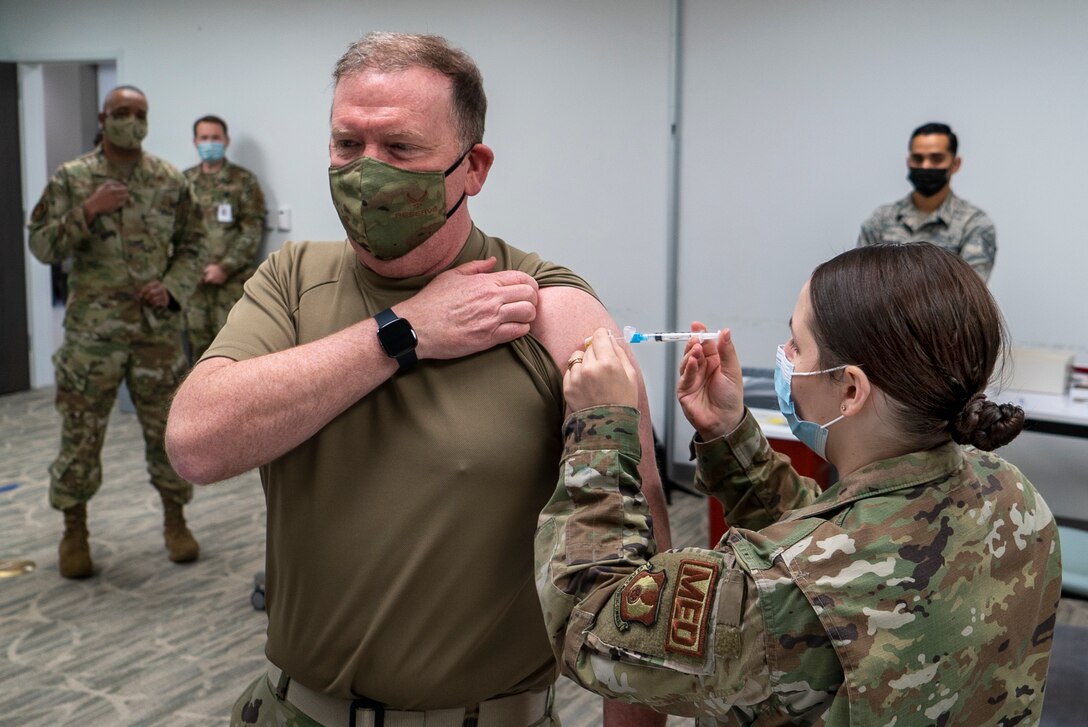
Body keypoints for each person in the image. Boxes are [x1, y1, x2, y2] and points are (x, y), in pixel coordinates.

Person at [166, 32, 670, 727]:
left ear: (474, 167)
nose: (366, 172)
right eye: (348, 145)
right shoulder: (292, 280)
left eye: (399, 149)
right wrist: (403, 332)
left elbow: (643, 553)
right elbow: (196, 442)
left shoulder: (546, 308)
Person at [537, 242, 1061, 724]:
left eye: (797, 343)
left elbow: (593, 627)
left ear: (851, 389)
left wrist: (601, 428)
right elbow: (843, 535)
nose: (785, 357)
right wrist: (729, 436)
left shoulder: (776, 597)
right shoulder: (1014, 497)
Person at [27, 85, 206, 578]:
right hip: (93, 336)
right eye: (122, 113)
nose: (132, 120)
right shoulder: (74, 178)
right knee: (81, 435)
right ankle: (74, 530)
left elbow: (195, 243)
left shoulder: (169, 180)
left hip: (155, 334)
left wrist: (172, 287)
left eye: (140, 113)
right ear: (104, 119)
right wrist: (87, 211)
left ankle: (176, 520)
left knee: (169, 434)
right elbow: (41, 243)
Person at [857, 122, 997, 281]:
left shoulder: (974, 224)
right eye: (918, 158)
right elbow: (862, 286)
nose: (925, 166)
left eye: (936, 159)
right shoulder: (881, 219)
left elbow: (969, 294)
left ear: (955, 164)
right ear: (908, 161)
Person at [183, 115, 267, 360]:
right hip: (193, 287)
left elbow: (251, 231)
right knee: (197, 352)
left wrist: (224, 267)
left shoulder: (243, 181)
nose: (210, 143)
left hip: (231, 284)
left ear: (226, 141)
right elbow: (173, 232)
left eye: (215, 138)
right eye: (204, 138)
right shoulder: (183, 182)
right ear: (195, 142)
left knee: (233, 351)